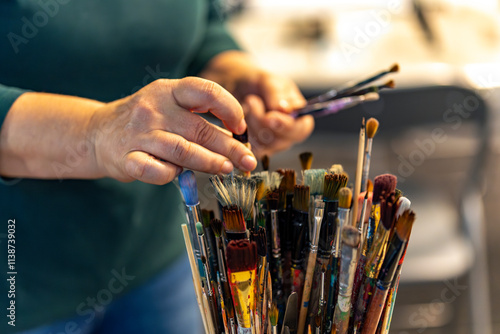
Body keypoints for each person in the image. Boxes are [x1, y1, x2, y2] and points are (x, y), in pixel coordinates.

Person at [0, 1, 314, 333]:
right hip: (23, 287)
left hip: (162, 260)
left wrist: (234, 76)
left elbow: (203, 23)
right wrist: (95, 131)